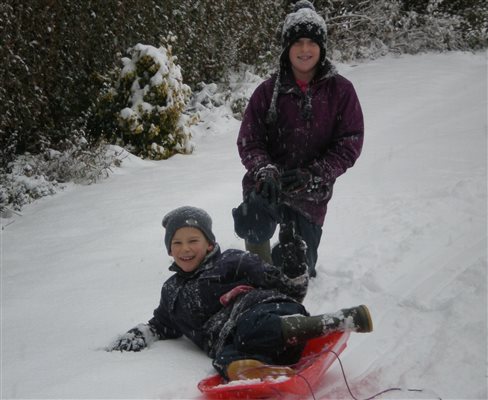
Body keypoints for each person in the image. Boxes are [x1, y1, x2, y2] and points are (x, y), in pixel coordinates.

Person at [107, 206, 372, 381]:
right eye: (177, 243)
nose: (184, 249)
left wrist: (294, 270)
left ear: (210, 243)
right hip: (233, 341)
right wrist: (140, 335)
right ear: (169, 250)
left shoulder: (233, 261)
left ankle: (331, 321)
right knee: (225, 361)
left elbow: (288, 291)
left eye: (193, 241)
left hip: (264, 309)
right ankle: (261, 372)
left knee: (252, 326)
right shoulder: (171, 290)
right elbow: (162, 324)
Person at [233, 0, 364, 277]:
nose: (305, 49)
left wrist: (315, 174)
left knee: (297, 270)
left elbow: (349, 142)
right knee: (255, 222)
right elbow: (249, 141)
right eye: (298, 42)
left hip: (310, 193)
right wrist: (264, 170)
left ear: (322, 47)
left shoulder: (341, 91)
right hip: (269, 186)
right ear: (287, 48)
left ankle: (290, 260)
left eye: (311, 42)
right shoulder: (267, 92)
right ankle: (259, 270)